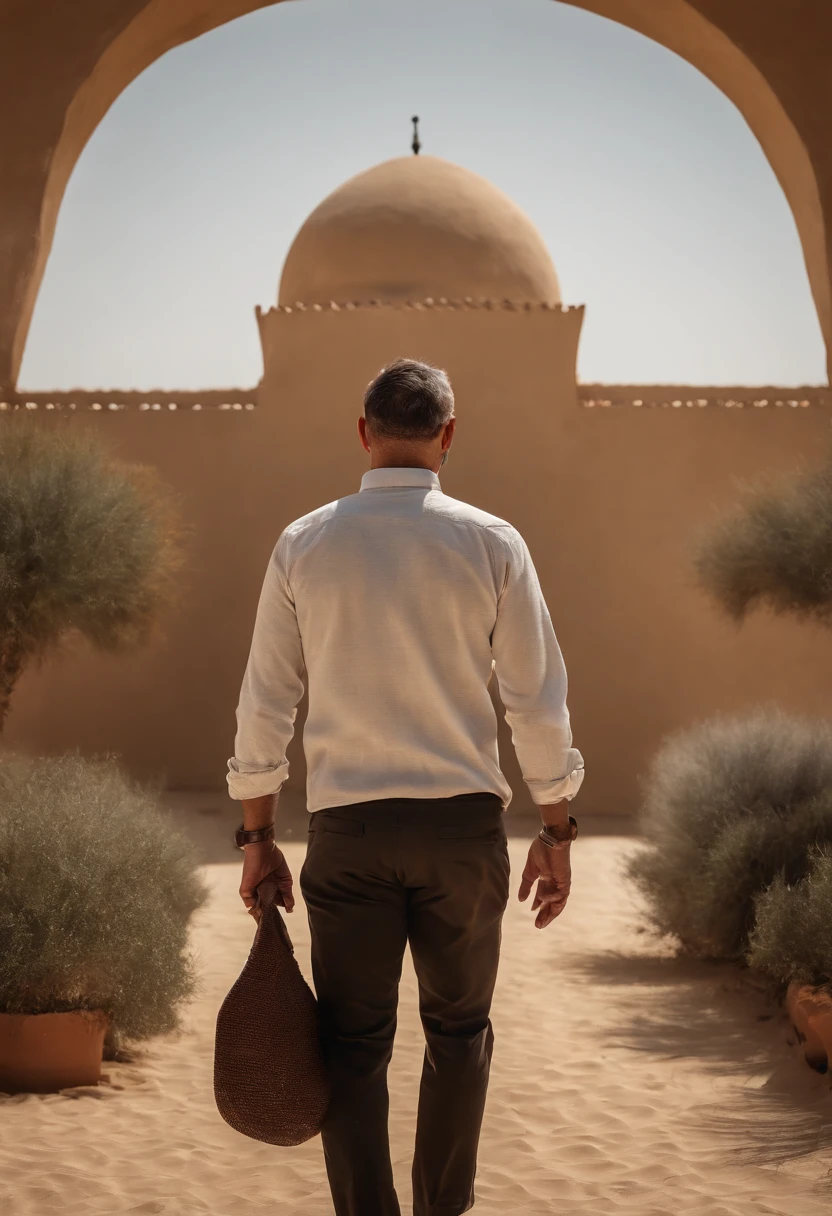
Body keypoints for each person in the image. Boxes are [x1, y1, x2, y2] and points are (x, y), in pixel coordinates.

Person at [226, 358, 584, 1216]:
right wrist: (557, 831)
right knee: (459, 1037)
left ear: (363, 434)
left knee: (353, 1045)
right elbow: (536, 701)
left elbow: (265, 703)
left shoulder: (303, 542)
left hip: (347, 836)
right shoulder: (493, 541)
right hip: (463, 837)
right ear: (448, 437)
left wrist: (256, 837)